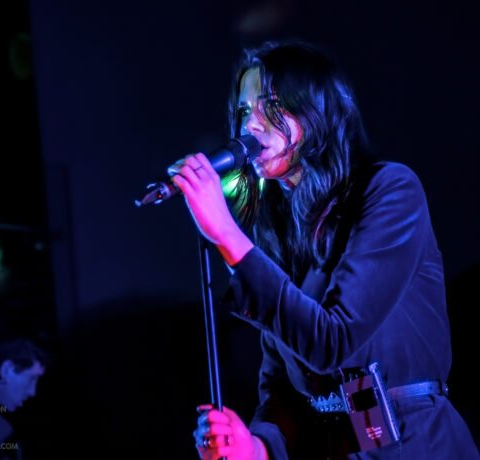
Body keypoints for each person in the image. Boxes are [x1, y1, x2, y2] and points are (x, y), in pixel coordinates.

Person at [169, 41, 480, 459]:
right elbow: (281, 386)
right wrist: (257, 446)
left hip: (414, 443)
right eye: (244, 111)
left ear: (315, 112)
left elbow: (333, 341)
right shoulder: (276, 232)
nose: (251, 126)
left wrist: (225, 232)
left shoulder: (390, 191)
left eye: (271, 106)